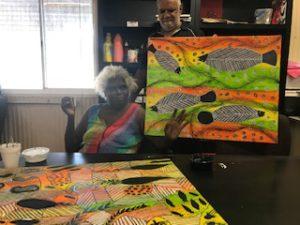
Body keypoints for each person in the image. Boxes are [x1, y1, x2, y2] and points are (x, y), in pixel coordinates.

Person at [61, 65, 187, 153]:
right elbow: (71, 148)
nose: (118, 92)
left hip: (120, 174)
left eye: (122, 87)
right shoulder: (93, 111)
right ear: (104, 91)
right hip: (87, 171)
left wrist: (168, 138)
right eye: (112, 89)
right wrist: (71, 116)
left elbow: (158, 146)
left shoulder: (137, 113)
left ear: (129, 88)